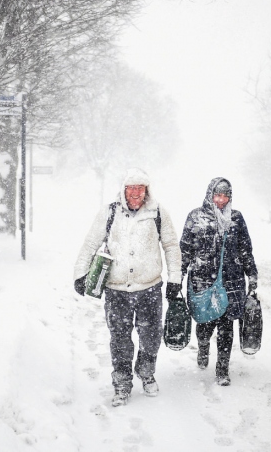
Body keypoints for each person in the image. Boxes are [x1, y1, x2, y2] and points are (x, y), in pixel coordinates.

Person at [74, 168, 182, 407]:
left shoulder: (158, 213)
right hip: (117, 290)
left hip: (150, 288)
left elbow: (172, 246)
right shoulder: (110, 212)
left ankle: (145, 372)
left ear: (147, 191)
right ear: (124, 190)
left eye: (140, 188)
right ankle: (122, 383)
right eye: (131, 188)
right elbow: (90, 243)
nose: (135, 193)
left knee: (151, 337)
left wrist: (175, 278)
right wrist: (80, 274)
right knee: (120, 339)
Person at [174, 177, 258, 386]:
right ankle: (203, 347)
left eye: (225, 196)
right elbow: (184, 250)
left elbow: (245, 249)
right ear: (210, 195)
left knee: (226, 326)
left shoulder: (236, 219)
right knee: (205, 324)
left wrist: (252, 275)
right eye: (217, 195)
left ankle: (222, 369)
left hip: (232, 281)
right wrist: (177, 277)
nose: (221, 200)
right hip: (203, 282)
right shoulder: (196, 217)